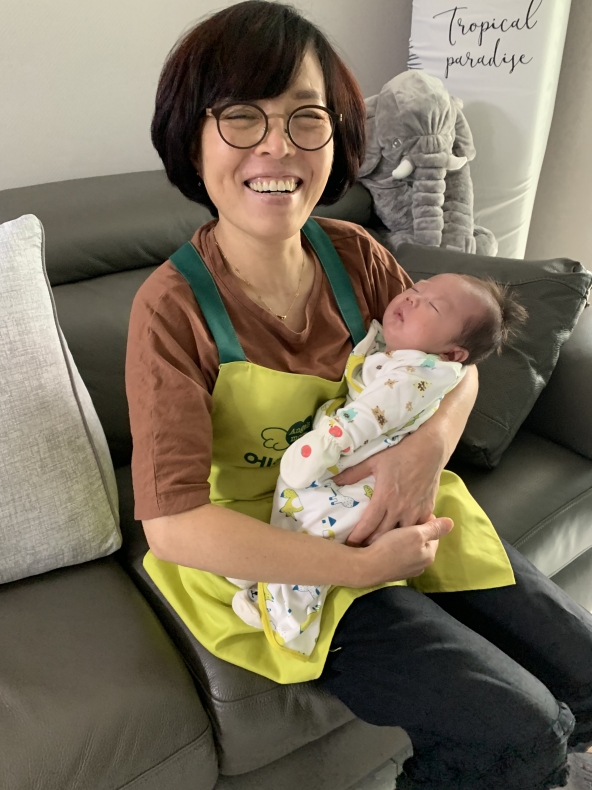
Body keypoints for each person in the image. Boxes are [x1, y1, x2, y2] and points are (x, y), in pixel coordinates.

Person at [124, 3, 592, 789]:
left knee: (583, 672)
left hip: (399, 506)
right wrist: (361, 566)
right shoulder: (171, 310)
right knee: (520, 733)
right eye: (241, 116)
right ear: (190, 139)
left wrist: (422, 454)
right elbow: (173, 529)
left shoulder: (354, 255)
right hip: (272, 555)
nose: (278, 145)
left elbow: (456, 371)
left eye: (306, 117)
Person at [229, 274, 528, 655]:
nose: (412, 298)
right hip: (348, 468)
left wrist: (332, 441)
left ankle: (286, 613)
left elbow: (373, 413)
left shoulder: (417, 371)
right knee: (298, 512)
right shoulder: (404, 344)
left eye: (432, 306)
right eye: (416, 289)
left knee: (319, 529)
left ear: (451, 354)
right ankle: (262, 569)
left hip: (360, 478)